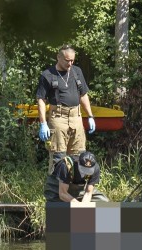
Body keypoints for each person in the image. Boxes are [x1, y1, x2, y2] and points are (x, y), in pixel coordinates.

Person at [36, 45, 96, 174]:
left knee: (79, 157)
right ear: (58, 57)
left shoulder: (77, 71)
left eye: (72, 60)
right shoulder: (47, 75)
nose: (70, 64)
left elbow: (83, 95)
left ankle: (75, 191)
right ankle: (56, 191)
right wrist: (43, 123)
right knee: (59, 159)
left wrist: (90, 116)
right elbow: (41, 100)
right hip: (58, 118)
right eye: (67, 60)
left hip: (76, 118)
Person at [44, 151, 109, 203]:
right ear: (78, 163)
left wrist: (84, 207)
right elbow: (62, 194)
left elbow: (88, 192)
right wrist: (79, 206)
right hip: (57, 190)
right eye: (83, 169)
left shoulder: (95, 168)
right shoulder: (66, 165)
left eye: (88, 171)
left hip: (78, 191)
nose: (86, 173)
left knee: (104, 202)